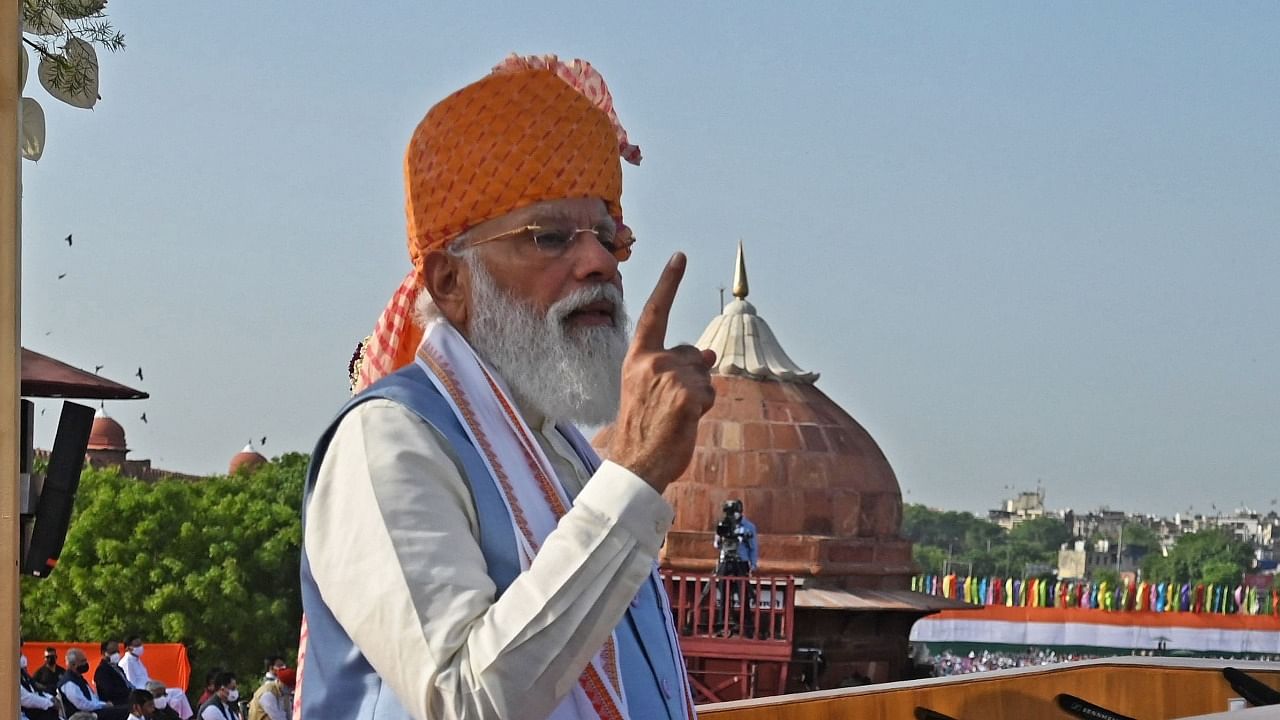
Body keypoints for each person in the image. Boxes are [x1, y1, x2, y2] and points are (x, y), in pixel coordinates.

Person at [298, 54, 714, 720]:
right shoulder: (388, 441)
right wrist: (633, 474)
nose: (598, 262)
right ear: (449, 283)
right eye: (549, 236)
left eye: (608, 237)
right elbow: (464, 702)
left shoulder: (566, 452)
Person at [60, 647, 130, 720]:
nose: (86, 663)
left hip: (94, 710)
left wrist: (104, 704)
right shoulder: (69, 683)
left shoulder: (78, 678)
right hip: (84, 715)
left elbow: (92, 699)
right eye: (83, 661)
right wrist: (103, 705)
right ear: (73, 664)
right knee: (126, 712)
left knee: (126, 707)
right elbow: (82, 704)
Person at [19, 649, 62, 720]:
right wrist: (49, 703)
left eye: (53, 656)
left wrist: (50, 698)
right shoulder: (39, 673)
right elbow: (26, 698)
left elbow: (37, 690)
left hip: (44, 709)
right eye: (48, 657)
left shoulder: (24, 675)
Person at [96, 640, 133, 705]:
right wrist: (128, 692)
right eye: (113, 652)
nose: (116, 654)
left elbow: (127, 683)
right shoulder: (102, 670)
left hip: (127, 699)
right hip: (117, 703)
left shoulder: (118, 668)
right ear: (104, 653)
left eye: (117, 651)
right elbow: (109, 692)